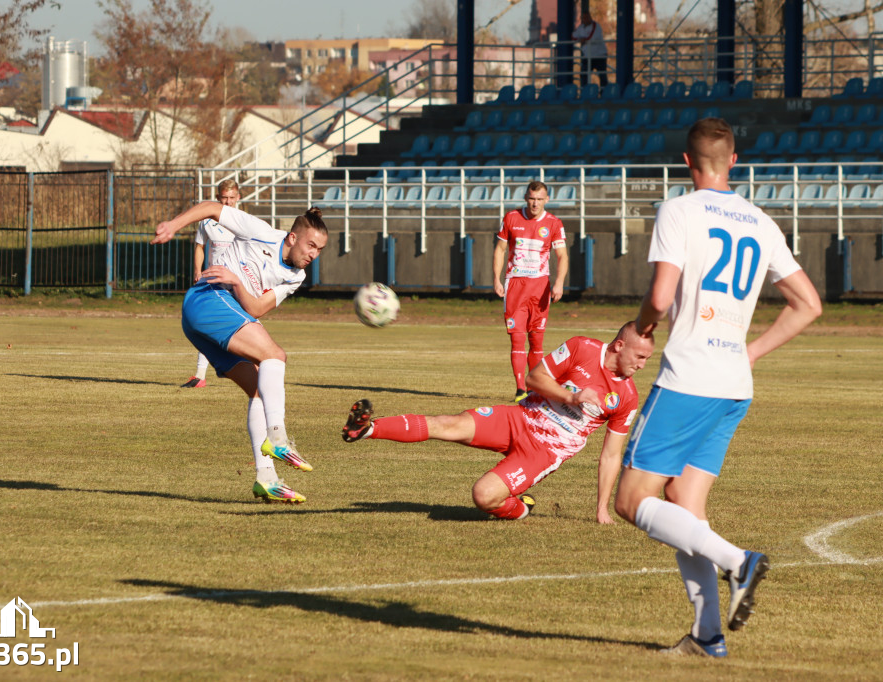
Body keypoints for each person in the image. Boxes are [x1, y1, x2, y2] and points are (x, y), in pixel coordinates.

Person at [613, 118, 822, 658]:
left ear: (686, 162)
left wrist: (639, 328)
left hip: (688, 378)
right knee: (685, 502)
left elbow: (659, 298)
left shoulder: (679, 209)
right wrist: (748, 352)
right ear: (734, 162)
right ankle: (707, 635)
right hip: (733, 383)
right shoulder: (760, 220)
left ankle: (738, 561)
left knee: (632, 500)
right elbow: (809, 305)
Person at [343, 322, 653, 523]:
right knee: (449, 424)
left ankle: (519, 508)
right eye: (639, 357)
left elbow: (611, 455)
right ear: (619, 346)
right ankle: (367, 429)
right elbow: (534, 379)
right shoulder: (581, 348)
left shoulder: (626, 396)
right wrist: (572, 397)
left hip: (543, 452)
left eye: (646, 360)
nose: (641, 365)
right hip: (519, 418)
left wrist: (601, 509)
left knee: (483, 496)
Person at [152, 202, 329, 504]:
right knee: (275, 356)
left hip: (214, 314)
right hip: (209, 298)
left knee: (259, 388)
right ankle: (277, 437)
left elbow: (256, 308)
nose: (313, 254)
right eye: (311, 245)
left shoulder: (296, 277)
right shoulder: (261, 232)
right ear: (292, 238)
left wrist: (236, 281)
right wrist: (173, 224)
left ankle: (267, 478)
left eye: (320, 250)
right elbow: (210, 208)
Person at [493, 180, 569, 403]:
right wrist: (496, 279)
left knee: (536, 341)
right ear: (526, 198)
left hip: (540, 286)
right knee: (517, 339)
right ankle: (520, 390)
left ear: (546, 200)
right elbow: (500, 249)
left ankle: (534, 388)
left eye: (539, 199)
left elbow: (562, 256)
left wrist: (559, 282)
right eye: (531, 199)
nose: (535, 203)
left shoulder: (554, 223)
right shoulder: (511, 218)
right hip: (515, 285)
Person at [182, 179, 243, 389]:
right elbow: (200, 247)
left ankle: (254, 369)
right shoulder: (207, 221)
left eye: (231, 198)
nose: (227, 202)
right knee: (207, 326)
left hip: (237, 281)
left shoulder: (245, 221)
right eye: (224, 198)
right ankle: (200, 375)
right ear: (218, 198)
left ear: (238, 198)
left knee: (247, 325)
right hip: (214, 280)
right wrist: (198, 271)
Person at [572, 11, 608, 88]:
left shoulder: (596, 26)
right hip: (587, 56)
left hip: (599, 55)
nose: (585, 19)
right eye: (584, 18)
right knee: (584, 75)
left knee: (602, 76)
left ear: (590, 17)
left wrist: (584, 39)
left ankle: (603, 93)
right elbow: (574, 36)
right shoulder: (581, 27)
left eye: (587, 17)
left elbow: (593, 37)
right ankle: (585, 92)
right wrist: (580, 39)